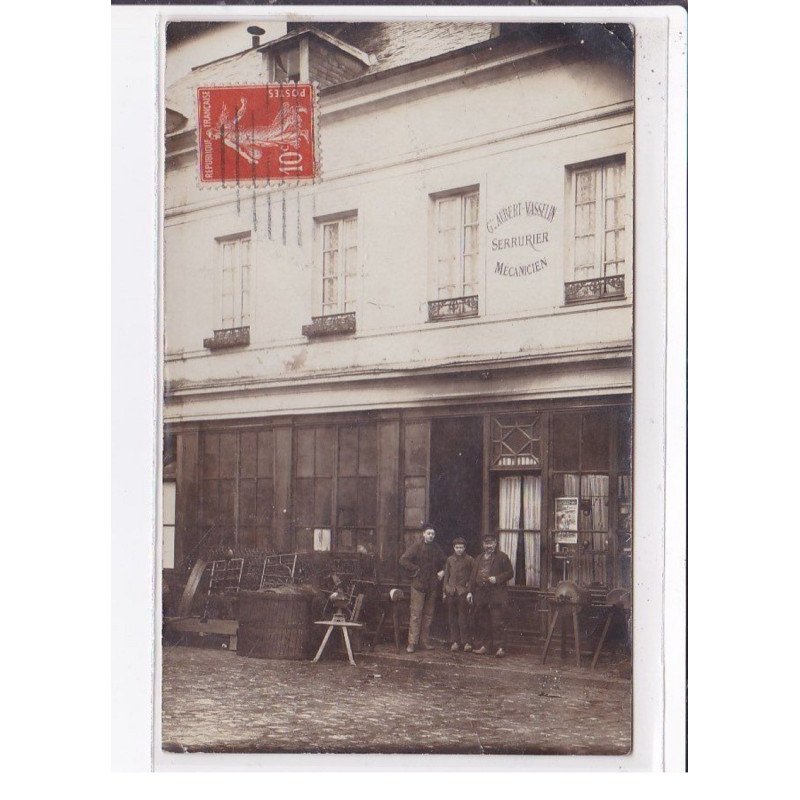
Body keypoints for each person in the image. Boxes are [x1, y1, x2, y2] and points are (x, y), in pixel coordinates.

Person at [399, 524, 446, 653]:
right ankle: (412, 643)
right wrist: (416, 569)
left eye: (433, 534)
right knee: (416, 615)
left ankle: (424, 642)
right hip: (418, 585)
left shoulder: (436, 548)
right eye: (429, 533)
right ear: (424, 534)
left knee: (428, 615)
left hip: (432, 586)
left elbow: (446, 562)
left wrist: (442, 571)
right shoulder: (416, 547)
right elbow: (403, 560)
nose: (431, 536)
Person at [466, 533, 514, 657]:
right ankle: (485, 647)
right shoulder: (479, 558)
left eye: (491, 543)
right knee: (484, 622)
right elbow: (472, 577)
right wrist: (470, 591)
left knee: (497, 622)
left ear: (495, 543)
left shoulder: (502, 557)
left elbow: (510, 573)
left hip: (496, 594)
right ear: (483, 545)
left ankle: (500, 648)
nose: (489, 546)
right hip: (481, 594)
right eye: (486, 543)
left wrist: (497, 579)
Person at [442, 537, 474, 652]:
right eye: (457, 547)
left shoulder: (470, 559)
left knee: (463, 618)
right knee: (452, 618)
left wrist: (469, 591)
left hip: (463, 592)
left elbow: (472, 577)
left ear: (465, 548)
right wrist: (445, 590)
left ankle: (466, 642)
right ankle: (455, 641)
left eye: (461, 547)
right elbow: (446, 576)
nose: (459, 549)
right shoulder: (450, 560)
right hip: (451, 592)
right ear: (453, 548)